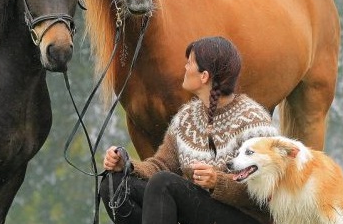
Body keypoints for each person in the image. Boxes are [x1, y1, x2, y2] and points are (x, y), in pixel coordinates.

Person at [99, 36, 278, 224]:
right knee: (114, 185)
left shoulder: (254, 121)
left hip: (245, 217)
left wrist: (218, 182)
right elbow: (161, 166)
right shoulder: (186, 117)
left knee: (164, 183)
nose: (185, 67)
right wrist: (127, 165)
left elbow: (270, 188)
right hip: (200, 212)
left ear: (204, 76)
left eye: (190, 63)